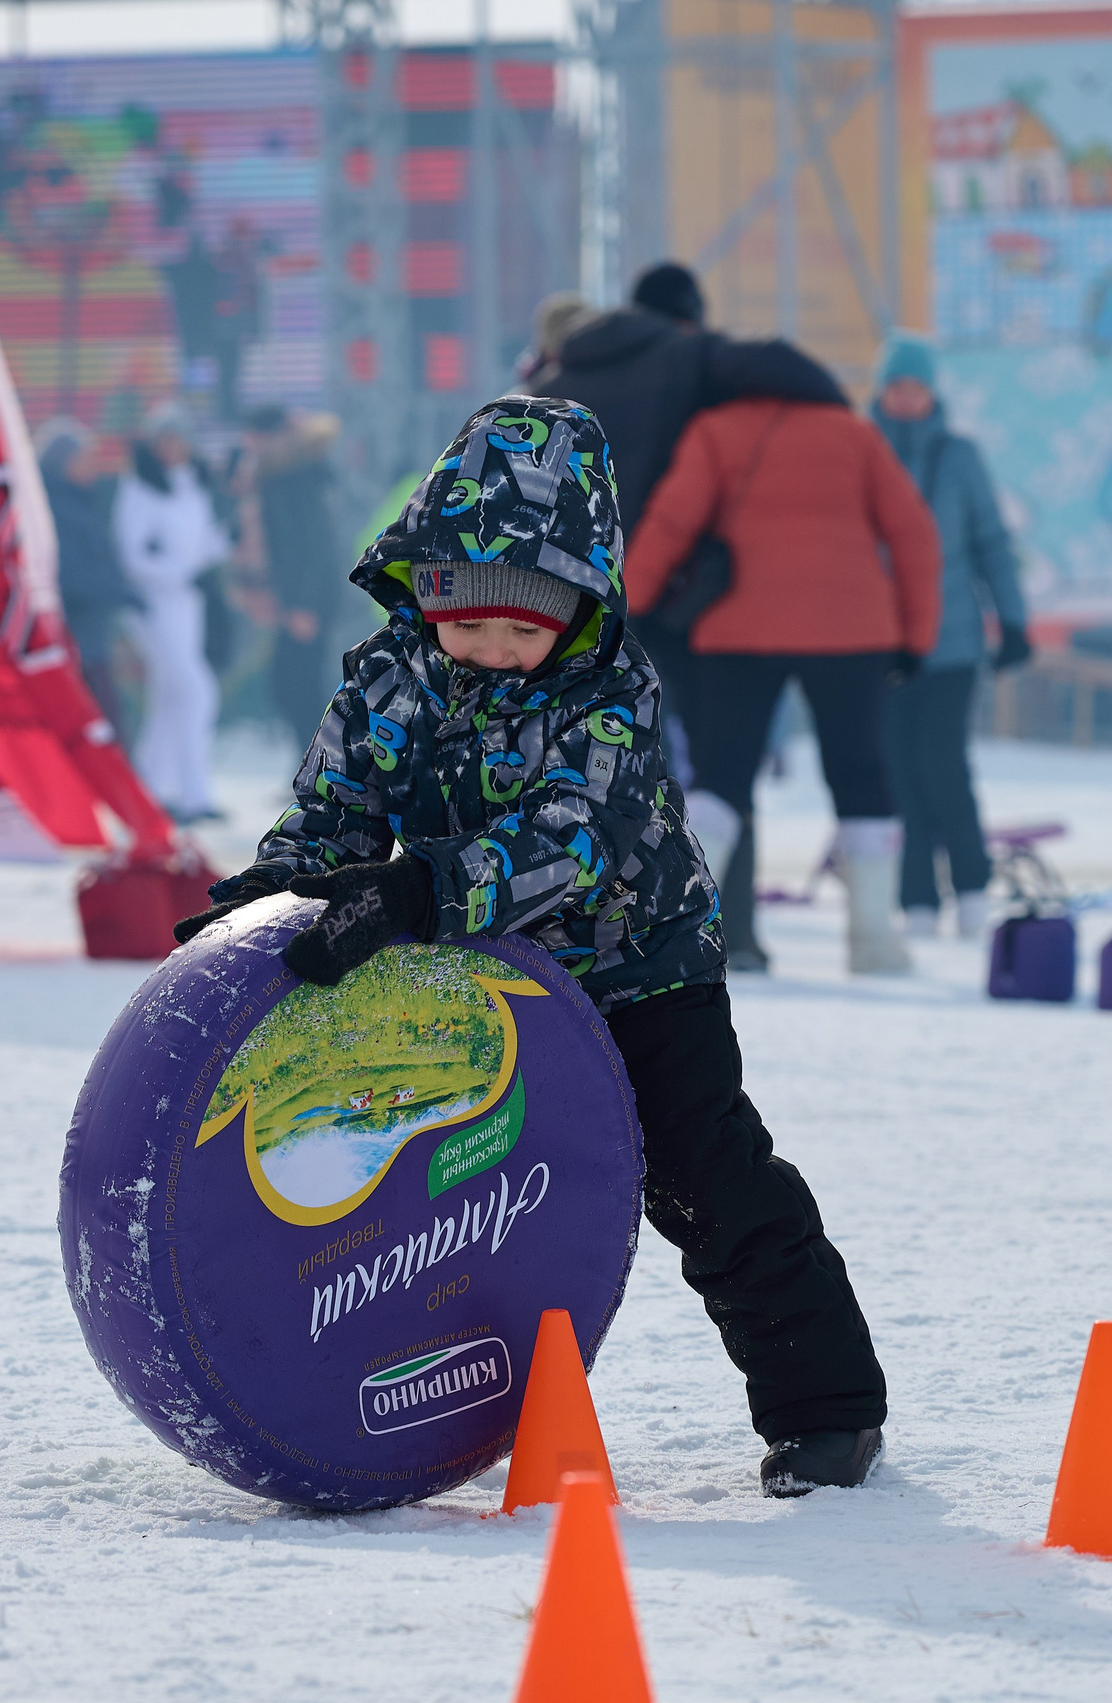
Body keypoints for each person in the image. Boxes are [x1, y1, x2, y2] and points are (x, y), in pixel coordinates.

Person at [177, 397, 890, 1495]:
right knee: (424, 1173)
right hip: (476, 983)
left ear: (576, 607)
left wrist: (420, 882)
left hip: (636, 971)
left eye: (528, 628)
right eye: (471, 621)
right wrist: (284, 888)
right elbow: (334, 805)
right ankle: (378, 1388)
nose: (499, 651)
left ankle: (825, 1408)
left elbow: (576, 836)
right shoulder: (385, 678)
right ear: (428, 589)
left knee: (704, 1178)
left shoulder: (608, 693)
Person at [626, 387, 942, 978]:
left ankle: (684, 931)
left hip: (740, 628)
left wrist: (627, 607)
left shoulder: (716, 427)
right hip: (852, 627)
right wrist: (916, 635)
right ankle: (874, 942)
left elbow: (672, 520)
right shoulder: (851, 433)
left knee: (722, 776)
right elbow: (913, 532)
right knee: (859, 774)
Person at [535, 262, 853, 739]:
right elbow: (781, 363)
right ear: (690, 315)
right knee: (703, 748)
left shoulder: (551, 387)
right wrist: (838, 407)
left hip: (581, 590)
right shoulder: (688, 353)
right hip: (674, 587)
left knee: (595, 743)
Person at [869, 335, 1032, 941]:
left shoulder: (959, 457)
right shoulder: (863, 453)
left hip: (953, 641)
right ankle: (915, 900)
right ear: (882, 392)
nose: (906, 398)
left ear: (932, 393)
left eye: (916, 388)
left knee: (944, 764)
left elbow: (990, 540)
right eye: (896, 388)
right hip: (884, 644)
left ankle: (970, 888)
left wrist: (1012, 620)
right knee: (899, 772)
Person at [115, 400, 230, 822]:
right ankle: (193, 793)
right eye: (163, 438)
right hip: (153, 605)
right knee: (195, 691)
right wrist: (179, 574)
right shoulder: (139, 487)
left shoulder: (193, 484)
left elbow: (199, 546)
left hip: (188, 605)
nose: (171, 447)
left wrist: (224, 539)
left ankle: (152, 790)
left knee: (170, 698)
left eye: (178, 438)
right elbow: (131, 554)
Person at [241, 404, 343, 743]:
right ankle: (315, 768)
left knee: (295, 687)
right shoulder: (281, 476)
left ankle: (322, 769)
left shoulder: (293, 478)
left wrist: (304, 605)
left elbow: (313, 548)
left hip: (307, 601)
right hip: (298, 599)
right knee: (294, 686)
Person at [40, 419, 140, 741]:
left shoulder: (79, 501)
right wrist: (116, 591)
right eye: (84, 458)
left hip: (90, 632)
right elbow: (70, 575)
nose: (93, 466)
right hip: (74, 634)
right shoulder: (54, 507)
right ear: (63, 463)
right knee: (98, 722)